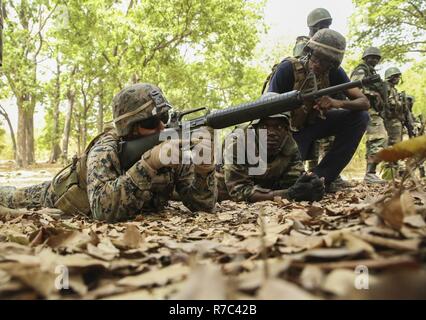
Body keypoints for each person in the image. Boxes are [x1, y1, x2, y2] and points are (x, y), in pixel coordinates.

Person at [0, 83, 217, 222]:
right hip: (60, 196)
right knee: (10, 196)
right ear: (128, 127)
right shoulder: (106, 148)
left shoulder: (173, 145)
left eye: (164, 118)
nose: (161, 129)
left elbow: (203, 205)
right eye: (151, 122)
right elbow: (102, 211)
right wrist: (149, 164)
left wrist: (204, 170)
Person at [267, 29, 370, 192]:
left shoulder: (334, 73)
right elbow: (267, 110)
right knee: (284, 183)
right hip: (286, 134)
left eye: (326, 62)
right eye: (316, 57)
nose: (318, 64)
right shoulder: (287, 69)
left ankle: (322, 176)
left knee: (360, 117)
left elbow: (364, 102)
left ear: (333, 63)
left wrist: (336, 102)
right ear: (309, 52)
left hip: (311, 126)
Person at [216, 110, 325, 203]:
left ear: (287, 130)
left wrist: (309, 186)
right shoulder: (238, 142)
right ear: (255, 129)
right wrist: (288, 194)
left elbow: (292, 181)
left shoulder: (289, 144)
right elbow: (238, 192)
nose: (271, 133)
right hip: (226, 190)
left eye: (279, 127)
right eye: (264, 126)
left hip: (267, 187)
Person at [350, 47, 387, 184]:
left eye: (377, 58)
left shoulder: (372, 72)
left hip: (373, 110)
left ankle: (371, 173)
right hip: (366, 109)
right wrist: (373, 94)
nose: (374, 60)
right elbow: (352, 88)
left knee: (379, 139)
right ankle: (370, 174)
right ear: (365, 58)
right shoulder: (361, 70)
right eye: (371, 57)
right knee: (378, 138)